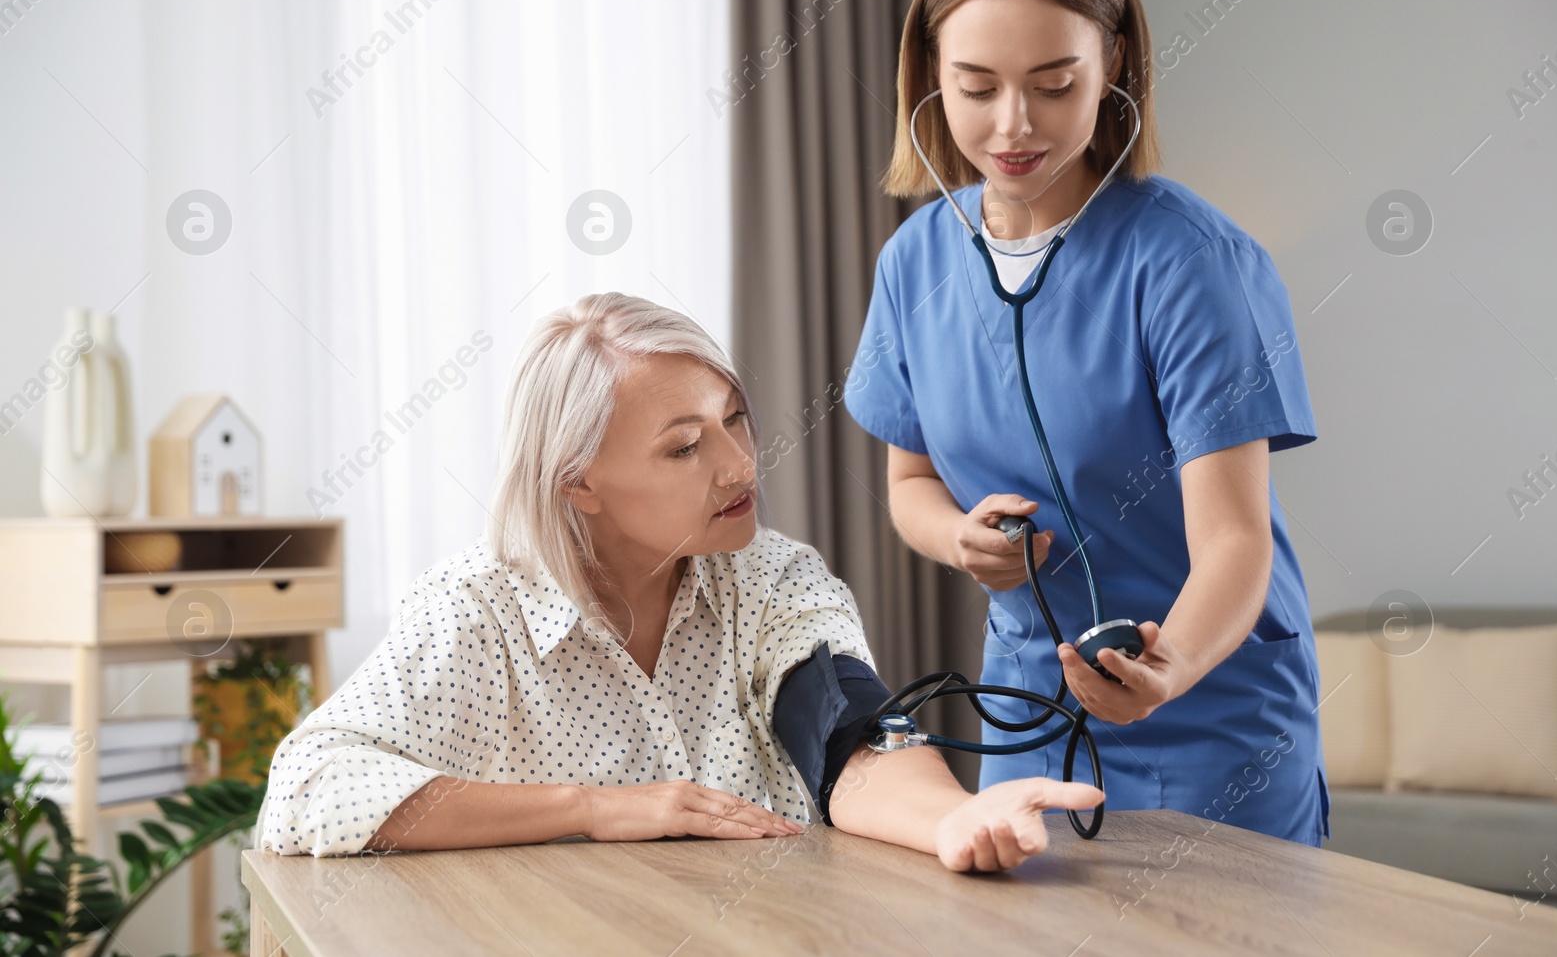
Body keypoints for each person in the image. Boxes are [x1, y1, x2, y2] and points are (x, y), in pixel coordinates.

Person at [257, 292, 1103, 872]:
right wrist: (592, 808)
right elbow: (305, 790)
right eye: (683, 445)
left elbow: (848, 733)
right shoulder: (477, 613)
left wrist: (953, 818)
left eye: (733, 418)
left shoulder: (772, 579)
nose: (740, 464)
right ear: (578, 481)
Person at [842, 0, 1328, 845]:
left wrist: (1166, 666)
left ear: (1112, 69)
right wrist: (958, 539)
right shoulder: (913, 266)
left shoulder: (1189, 262)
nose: (1013, 125)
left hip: (1210, 711)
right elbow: (909, 485)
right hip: (1030, 706)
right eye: (976, 88)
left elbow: (1235, 539)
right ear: (929, 83)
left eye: (1054, 85)